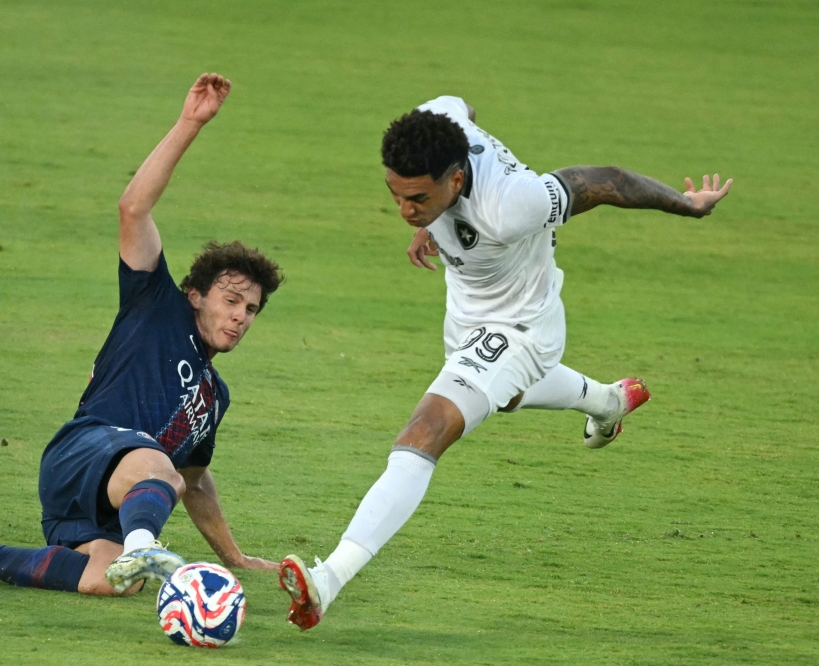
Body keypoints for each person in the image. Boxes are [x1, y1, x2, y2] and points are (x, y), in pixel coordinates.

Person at [279, 95, 732, 629]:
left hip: (521, 328)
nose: (404, 210)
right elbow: (462, 107)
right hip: (468, 307)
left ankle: (329, 578)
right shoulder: (437, 120)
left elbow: (604, 180)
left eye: (418, 198)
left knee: (425, 431)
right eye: (396, 195)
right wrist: (431, 217)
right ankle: (610, 400)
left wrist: (687, 204)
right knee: (507, 395)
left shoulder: (511, 203)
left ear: (455, 177)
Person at [0, 73, 283, 597]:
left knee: (110, 582)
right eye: (231, 300)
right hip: (82, 450)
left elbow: (193, 481)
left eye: (252, 309)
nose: (241, 316)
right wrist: (189, 123)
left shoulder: (216, 398)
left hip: (97, 504)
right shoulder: (156, 305)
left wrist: (234, 556)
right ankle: (143, 544)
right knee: (157, 470)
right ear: (195, 294)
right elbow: (133, 209)